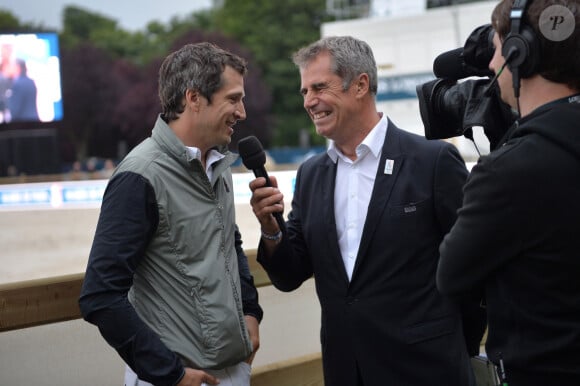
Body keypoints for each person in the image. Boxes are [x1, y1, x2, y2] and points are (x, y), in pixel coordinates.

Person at [248, 35, 483, 386]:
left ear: (360, 85)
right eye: (304, 92)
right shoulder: (312, 175)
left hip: (427, 370)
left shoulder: (431, 161)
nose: (309, 102)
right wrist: (270, 229)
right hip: (346, 371)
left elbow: (474, 270)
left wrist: (451, 346)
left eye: (319, 88)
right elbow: (290, 273)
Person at [79, 42, 263, 386]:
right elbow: (99, 296)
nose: (242, 112)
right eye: (233, 98)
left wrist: (251, 312)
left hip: (232, 369)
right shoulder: (139, 175)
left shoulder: (217, 164)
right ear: (193, 98)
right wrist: (171, 374)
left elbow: (229, 243)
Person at [436, 1, 580, 385]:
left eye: (497, 47)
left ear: (519, 54)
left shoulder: (508, 170)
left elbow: (452, 275)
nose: (489, 64)